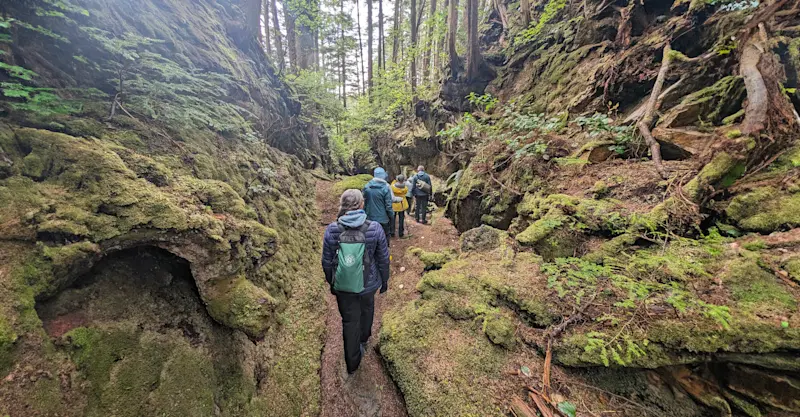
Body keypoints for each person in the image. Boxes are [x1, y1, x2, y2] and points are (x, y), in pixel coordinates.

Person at [322, 189, 390, 375]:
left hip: (344, 287)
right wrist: (384, 281)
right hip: (368, 285)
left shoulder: (332, 229)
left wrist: (333, 284)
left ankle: (352, 362)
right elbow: (383, 259)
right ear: (361, 205)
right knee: (367, 309)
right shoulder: (375, 228)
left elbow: (327, 262)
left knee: (349, 320)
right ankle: (364, 338)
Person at [362, 167, 393, 242]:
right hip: (383, 219)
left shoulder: (367, 187)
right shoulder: (386, 188)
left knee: (370, 238)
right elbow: (388, 206)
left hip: (369, 218)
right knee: (384, 239)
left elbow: (363, 203)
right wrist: (391, 216)